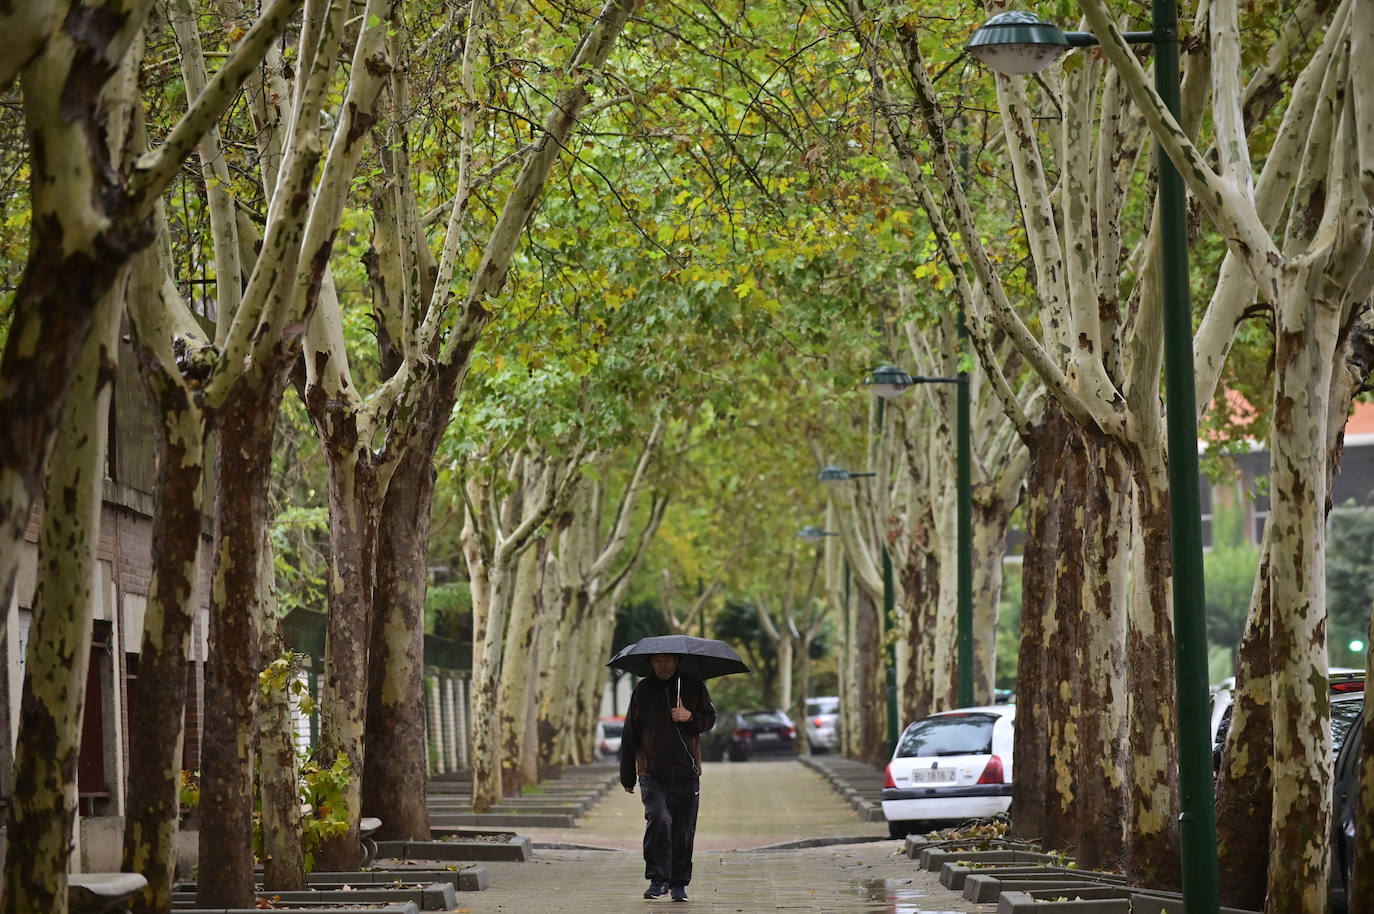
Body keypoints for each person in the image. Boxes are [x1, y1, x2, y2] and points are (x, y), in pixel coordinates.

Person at [619, 653, 716, 902]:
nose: (663, 665)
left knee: (683, 831)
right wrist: (627, 775)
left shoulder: (694, 686)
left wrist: (690, 716)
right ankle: (657, 880)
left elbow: (709, 720)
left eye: (668, 660)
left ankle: (678, 884)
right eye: (658, 661)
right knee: (659, 820)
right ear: (651, 663)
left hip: (687, 773)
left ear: (677, 662)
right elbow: (630, 733)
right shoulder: (643, 690)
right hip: (652, 773)